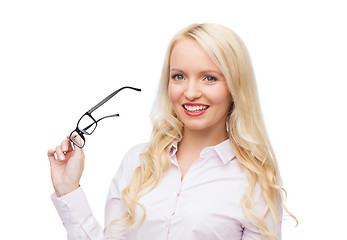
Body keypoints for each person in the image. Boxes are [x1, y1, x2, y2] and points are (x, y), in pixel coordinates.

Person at [48, 23, 295, 240]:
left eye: (209, 78)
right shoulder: (137, 162)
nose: (190, 92)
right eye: (179, 76)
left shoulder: (255, 182)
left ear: (235, 86)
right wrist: (68, 188)